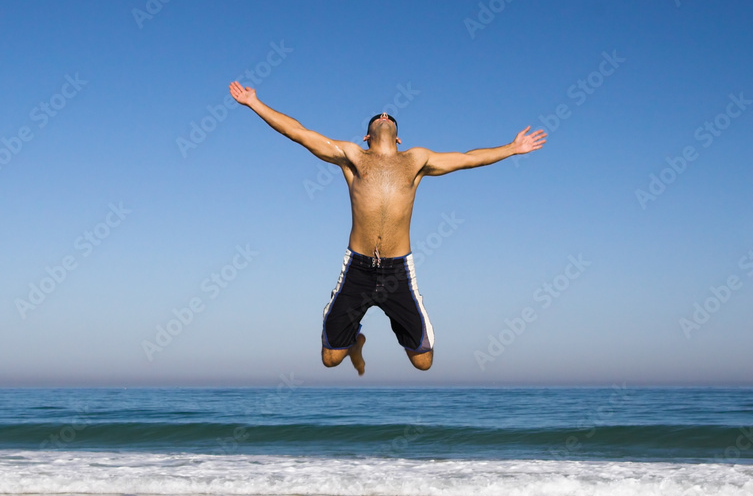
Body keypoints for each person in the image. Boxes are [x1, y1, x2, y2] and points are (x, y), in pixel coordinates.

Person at [229, 81, 546, 374]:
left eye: (389, 116)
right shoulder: (351, 156)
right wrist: (254, 103)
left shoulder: (417, 159)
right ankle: (354, 342)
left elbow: (467, 158)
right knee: (330, 360)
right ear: (366, 136)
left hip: (398, 271)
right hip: (358, 268)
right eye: (377, 116)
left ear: (398, 137)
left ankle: (390, 324)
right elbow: (299, 132)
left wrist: (511, 148)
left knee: (423, 362)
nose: (383, 114)